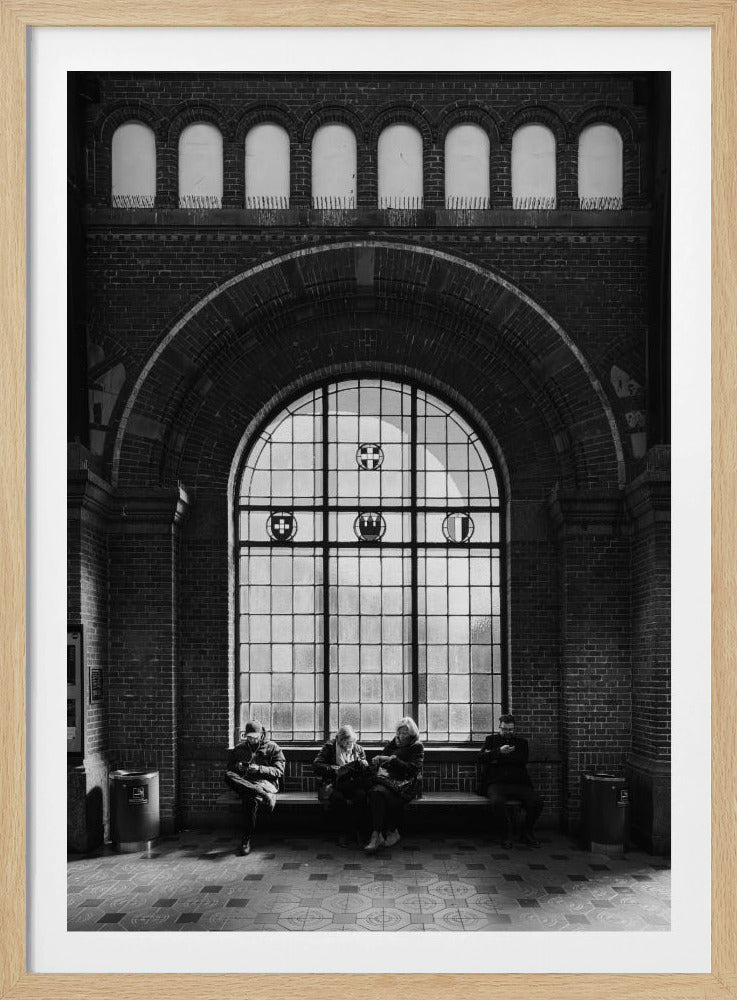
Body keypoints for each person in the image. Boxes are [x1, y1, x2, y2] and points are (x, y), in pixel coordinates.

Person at [479, 713, 543, 849]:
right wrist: (499, 752)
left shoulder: (522, 743)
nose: (508, 732)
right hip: (496, 783)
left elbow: (521, 760)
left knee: (537, 803)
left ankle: (526, 832)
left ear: (514, 729)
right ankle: (506, 835)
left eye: (510, 729)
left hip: (519, 783)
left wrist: (496, 759)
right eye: (505, 729)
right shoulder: (490, 740)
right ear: (499, 727)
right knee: (497, 803)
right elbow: (481, 757)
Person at [223, 720, 286, 856]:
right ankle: (261, 794)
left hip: (265, 783)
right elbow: (230, 768)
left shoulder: (273, 747)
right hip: (246, 782)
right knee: (228, 775)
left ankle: (246, 840)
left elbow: (279, 771)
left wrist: (259, 769)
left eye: (254, 737)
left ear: (261, 734)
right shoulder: (239, 748)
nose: (251, 740)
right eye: (249, 737)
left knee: (249, 799)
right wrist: (238, 767)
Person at [364, 717, 424, 853]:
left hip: (405, 785)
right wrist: (379, 760)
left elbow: (414, 769)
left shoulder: (417, 746)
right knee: (375, 792)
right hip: (388, 781)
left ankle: (384, 833)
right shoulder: (394, 742)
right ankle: (381, 833)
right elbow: (384, 756)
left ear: (412, 733)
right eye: (399, 733)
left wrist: (394, 760)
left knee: (377, 793)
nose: (401, 736)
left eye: (405, 733)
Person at [312, 724, 370, 847]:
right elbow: (317, 765)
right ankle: (344, 833)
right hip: (333, 784)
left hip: (352, 784)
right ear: (340, 740)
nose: (350, 745)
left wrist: (364, 764)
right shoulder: (329, 747)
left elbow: (365, 770)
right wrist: (334, 769)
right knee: (339, 800)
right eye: (347, 742)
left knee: (361, 796)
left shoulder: (358, 749)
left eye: (352, 742)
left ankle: (360, 832)